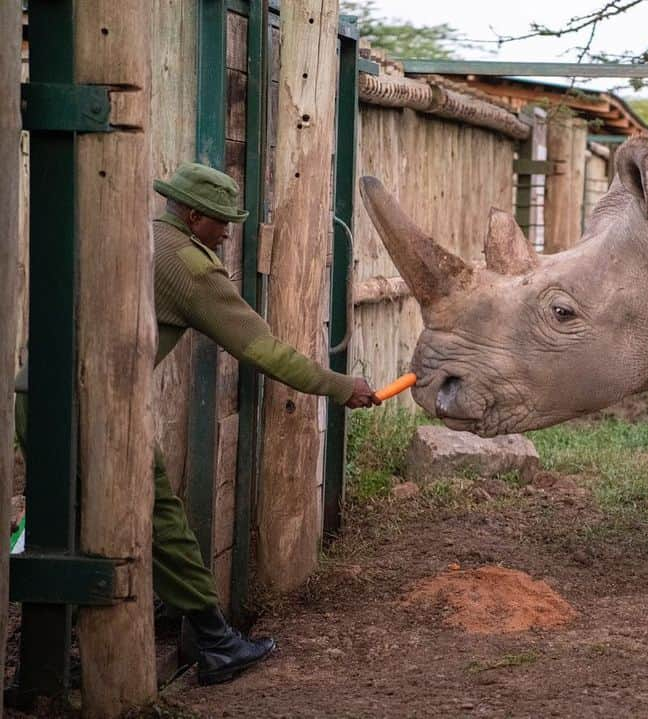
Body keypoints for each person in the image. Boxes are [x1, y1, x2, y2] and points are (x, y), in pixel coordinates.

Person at [14, 162, 381, 686]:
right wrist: (344, 387)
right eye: (221, 222)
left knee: (63, 524)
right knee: (156, 515)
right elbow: (265, 350)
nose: (228, 233)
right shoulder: (190, 265)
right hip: (94, 405)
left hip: (35, 393)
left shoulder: (133, 234)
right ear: (192, 215)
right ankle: (213, 642)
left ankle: (49, 656)